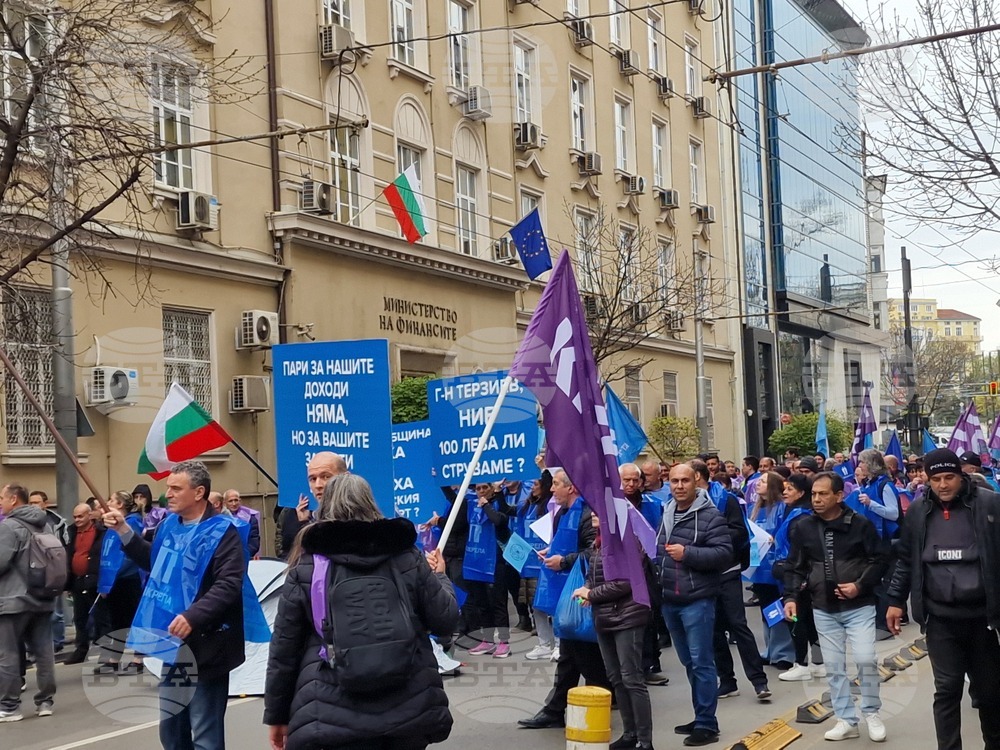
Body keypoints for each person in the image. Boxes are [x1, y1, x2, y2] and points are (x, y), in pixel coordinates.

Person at [264, 473, 458, 750]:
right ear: (371, 503)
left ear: (326, 506)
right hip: (408, 703)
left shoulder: (307, 565)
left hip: (330, 709)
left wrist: (277, 715)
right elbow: (445, 620)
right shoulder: (406, 556)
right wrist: (439, 577)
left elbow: (284, 650)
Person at [104, 460, 246, 750]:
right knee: (172, 731)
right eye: (168, 487)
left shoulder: (224, 531)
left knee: (205, 734)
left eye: (175, 488)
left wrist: (193, 616)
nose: (167, 493)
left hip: (209, 644)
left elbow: (229, 584)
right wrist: (123, 532)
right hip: (174, 644)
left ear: (199, 493)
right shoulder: (168, 525)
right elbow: (156, 565)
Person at [886, 448, 1000, 750]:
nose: (943, 484)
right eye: (936, 478)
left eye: (950, 477)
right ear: (927, 478)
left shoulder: (990, 505)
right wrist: (895, 600)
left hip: (983, 620)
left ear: (961, 475)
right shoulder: (918, 512)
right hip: (940, 620)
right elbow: (905, 560)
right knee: (947, 691)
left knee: (990, 693)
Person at [782, 472, 888, 742]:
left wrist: (859, 586)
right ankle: (846, 719)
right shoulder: (803, 527)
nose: (816, 499)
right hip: (822, 607)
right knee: (834, 667)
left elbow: (879, 560)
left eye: (823, 494)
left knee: (865, 659)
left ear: (839, 496)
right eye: (814, 494)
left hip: (859, 607)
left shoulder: (860, 524)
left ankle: (871, 712)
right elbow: (795, 566)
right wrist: (791, 597)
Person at [518, 470, 609, 730]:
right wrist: (552, 552)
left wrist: (563, 561)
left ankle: (600, 703)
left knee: (583, 655)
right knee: (572, 654)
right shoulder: (563, 513)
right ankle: (557, 709)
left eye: (556, 484)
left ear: (571, 489)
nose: (552, 489)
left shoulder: (584, 514)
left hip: (583, 592)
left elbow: (595, 551)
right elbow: (568, 545)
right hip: (569, 592)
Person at [658, 463, 733, 747]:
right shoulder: (666, 511)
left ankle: (707, 724)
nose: (678, 486)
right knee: (689, 662)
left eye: (684, 481)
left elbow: (723, 554)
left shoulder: (711, 515)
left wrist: (687, 553)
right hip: (670, 600)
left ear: (696, 482)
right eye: (674, 480)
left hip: (697, 600)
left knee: (702, 662)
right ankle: (700, 713)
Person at [690, 460, 770, 703]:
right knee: (713, 631)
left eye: (685, 478)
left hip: (727, 571)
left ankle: (759, 681)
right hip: (702, 574)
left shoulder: (726, 500)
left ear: (697, 477)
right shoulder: (681, 505)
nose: (680, 485)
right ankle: (727, 681)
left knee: (738, 625)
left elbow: (739, 532)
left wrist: (711, 538)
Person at [573, 512, 654, 750]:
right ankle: (630, 735)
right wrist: (586, 588)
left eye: (598, 510)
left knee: (632, 678)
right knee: (616, 678)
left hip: (627, 616)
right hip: (605, 616)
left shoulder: (627, 541)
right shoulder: (598, 542)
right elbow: (592, 575)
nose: (592, 514)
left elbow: (627, 582)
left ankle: (645, 741)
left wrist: (592, 594)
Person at [0, 483, 57, 721]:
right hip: (43, 596)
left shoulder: (9, 526)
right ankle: (45, 702)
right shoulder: (47, 525)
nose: (0, 501)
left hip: (14, 600)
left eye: (2, 497)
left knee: (9, 653)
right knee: (44, 653)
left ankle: (9, 707)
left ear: (14, 499)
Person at [771, 474, 822, 682]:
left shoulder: (799, 518)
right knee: (808, 620)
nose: (785, 492)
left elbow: (797, 551)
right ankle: (818, 663)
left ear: (801, 493)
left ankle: (801, 663)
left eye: (790, 489)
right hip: (803, 575)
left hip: (797, 576)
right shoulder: (799, 514)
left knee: (797, 619)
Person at [846, 449, 901, 641]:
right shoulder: (868, 485)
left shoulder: (884, 486)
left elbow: (893, 513)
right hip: (869, 540)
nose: (859, 466)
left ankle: (884, 626)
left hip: (883, 541)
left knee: (881, 584)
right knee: (872, 583)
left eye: (862, 463)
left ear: (871, 464)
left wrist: (871, 504)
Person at [93, 490, 145, 675]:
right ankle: (115, 659)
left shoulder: (132, 523)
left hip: (129, 579)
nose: (107, 502)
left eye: (111, 500)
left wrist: (115, 573)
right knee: (118, 621)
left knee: (134, 620)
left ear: (120, 505)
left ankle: (138, 659)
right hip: (114, 580)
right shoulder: (110, 526)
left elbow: (131, 553)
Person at [747, 472, 795, 669]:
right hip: (760, 568)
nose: (758, 483)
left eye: (764, 481)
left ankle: (784, 653)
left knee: (779, 610)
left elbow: (787, 534)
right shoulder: (753, 509)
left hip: (777, 566)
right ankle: (770, 650)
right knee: (766, 610)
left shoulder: (783, 508)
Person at [464, 482, 512, 658]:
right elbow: (453, 499)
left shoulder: (500, 505)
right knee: (482, 604)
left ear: (492, 489)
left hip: (495, 563)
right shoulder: (471, 506)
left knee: (498, 603)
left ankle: (504, 642)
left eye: (485, 487)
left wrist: (485, 504)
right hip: (476, 563)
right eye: (478, 489)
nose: (482, 491)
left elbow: (498, 520)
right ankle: (488, 640)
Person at [277, 452, 348, 559]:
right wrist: (303, 524)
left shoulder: (361, 517)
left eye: (326, 477)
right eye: (313, 479)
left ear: (345, 477)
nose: (318, 485)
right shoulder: (294, 515)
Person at [64, 502, 106, 665]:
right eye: (75, 517)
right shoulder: (71, 532)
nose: (77, 520)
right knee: (79, 618)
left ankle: (105, 652)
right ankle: (81, 650)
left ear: (90, 515)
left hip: (94, 580)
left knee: (101, 618)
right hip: (77, 580)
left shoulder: (100, 532)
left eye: (81, 516)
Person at [28, 491, 67, 654]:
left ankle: (57, 641)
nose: (33, 506)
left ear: (45, 504)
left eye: (37, 502)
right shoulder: (26, 523)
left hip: (53, 571)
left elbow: (64, 547)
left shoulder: (56, 523)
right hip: (34, 573)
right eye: (31, 503)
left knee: (56, 611)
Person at [224, 489, 261, 558]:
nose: (234, 503)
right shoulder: (220, 518)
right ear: (224, 503)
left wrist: (244, 555)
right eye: (230, 501)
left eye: (236, 500)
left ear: (240, 501)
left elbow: (254, 540)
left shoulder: (250, 518)